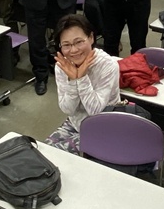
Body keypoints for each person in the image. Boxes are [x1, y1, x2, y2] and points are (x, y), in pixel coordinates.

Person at [45, 14, 121, 155]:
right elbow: (67, 109)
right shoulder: (62, 66)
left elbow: (95, 111)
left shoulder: (108, 65)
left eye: (79, 42)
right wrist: (72, 80)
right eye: (66, 45)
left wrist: (81, 78)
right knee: (45, 152)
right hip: (75, 124)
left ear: (91, 38)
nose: (74, 50)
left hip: (104, 126)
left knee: (63, 156)